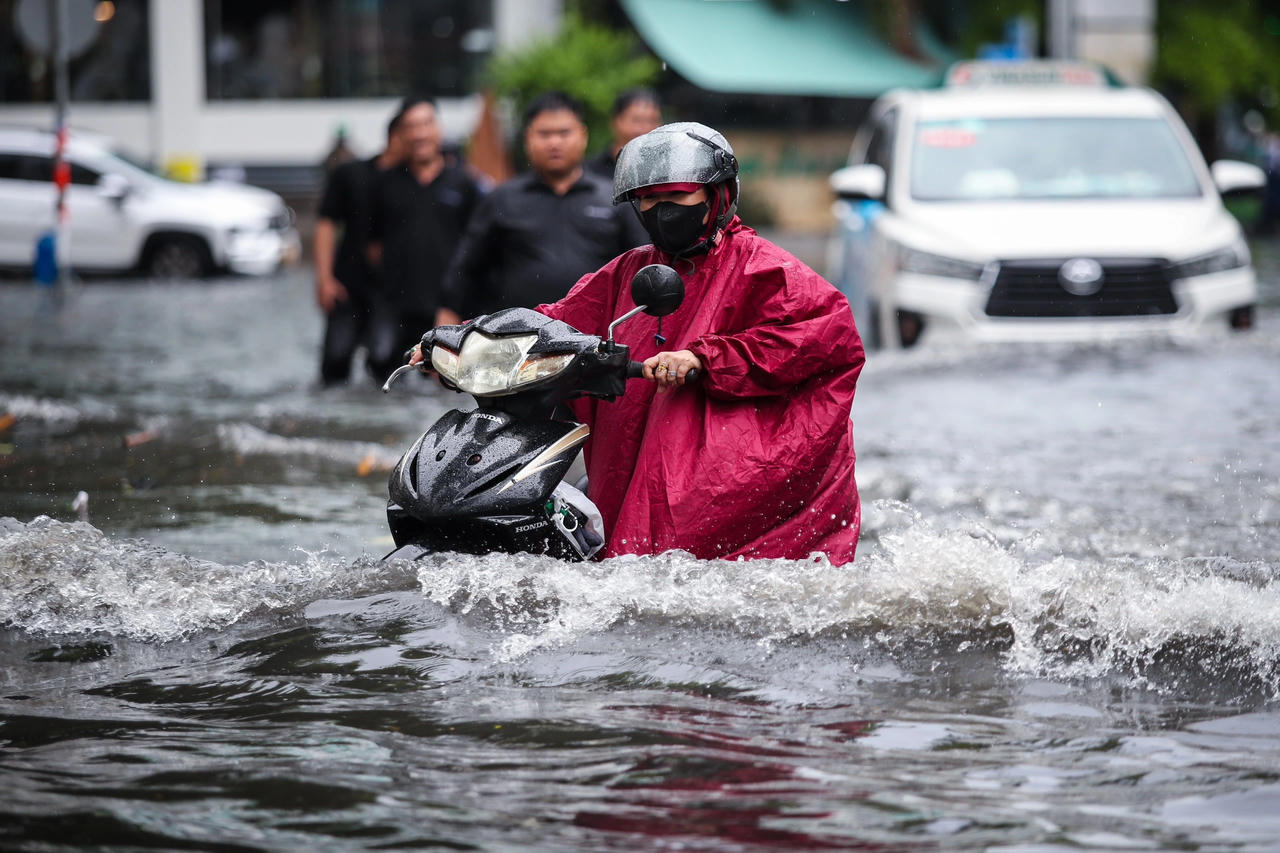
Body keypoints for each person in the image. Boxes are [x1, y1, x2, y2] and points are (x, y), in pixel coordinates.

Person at [414, 122, 864, 565]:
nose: (662, 209)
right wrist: (463, 342)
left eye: (677, 196)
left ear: (718, 195)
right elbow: (555, 321)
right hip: (628, 459)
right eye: (649, 198)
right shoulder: (628, 271)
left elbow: (823, 337)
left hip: (717, 475)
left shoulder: (766, 271)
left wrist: (704, 358)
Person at [436, 91, 648, 323]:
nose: (554, 142)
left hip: (599, 336)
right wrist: (445, 329)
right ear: (528, 138)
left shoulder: (614, 198)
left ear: (583, 136)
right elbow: (465, 270)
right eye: (544, 134)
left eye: (564, 133)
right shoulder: (503, 199)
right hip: (518, 339)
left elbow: (643, 266)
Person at [367, 96, 481, 382]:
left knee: (445, 384)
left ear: (438, 129)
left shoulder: (463, 183)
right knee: (384, 373)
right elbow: (372, 245)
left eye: (426, 124)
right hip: (395, 304)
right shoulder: (383, 184)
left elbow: (476, 249)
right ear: (401, 134)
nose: (420, 134)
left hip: (448, 305)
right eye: (411, 127)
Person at [312, 110, 406, 385]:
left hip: (393, 293)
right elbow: (326, 225)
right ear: (395, 137)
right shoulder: (350, 173)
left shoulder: (416, 182)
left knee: (385, 364)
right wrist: (324, 279)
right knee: (335, 362)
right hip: (347, 286)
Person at [585, 88, 662, 181]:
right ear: (616, 121)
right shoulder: (590, 170)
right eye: (637, 120)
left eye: (652, 121)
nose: (645, 128)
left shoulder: (666, 168)